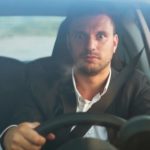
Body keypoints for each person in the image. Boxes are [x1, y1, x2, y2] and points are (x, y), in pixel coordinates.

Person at [1, 3, 150, 150]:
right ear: (69, 42)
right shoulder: (42, 85)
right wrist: (9, 135)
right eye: (80, 35)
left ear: (115, 43)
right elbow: (22, 124)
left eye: (101, 35)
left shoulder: (137, 85)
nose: (90, 45)